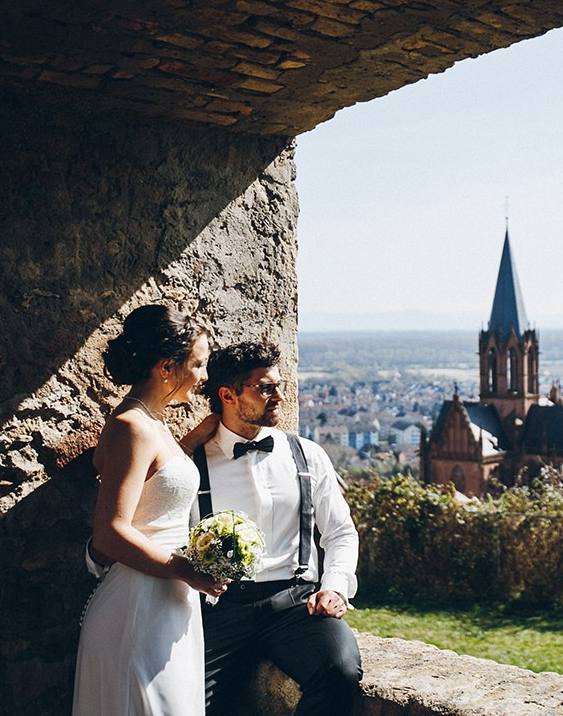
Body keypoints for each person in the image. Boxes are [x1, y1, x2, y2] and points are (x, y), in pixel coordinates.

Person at [73, 304, 228, 716]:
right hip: (138, 609)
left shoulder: (152, 422)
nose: (205, 375)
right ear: (166, 366)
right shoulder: (131, 427)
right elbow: (109, 532)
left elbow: (156, 487)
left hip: (168, 606)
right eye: (198, 364)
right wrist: (187, 570)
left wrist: (189, 444)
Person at [196, 342, 362, 716]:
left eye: (280, 385)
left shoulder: (308, 454)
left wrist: (334, 585)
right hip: (218, 611)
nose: (281, 396)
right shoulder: (192, 465)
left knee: (340, 672)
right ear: (228, 395)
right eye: (266, 388)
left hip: (296, 605)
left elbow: (340, 532)